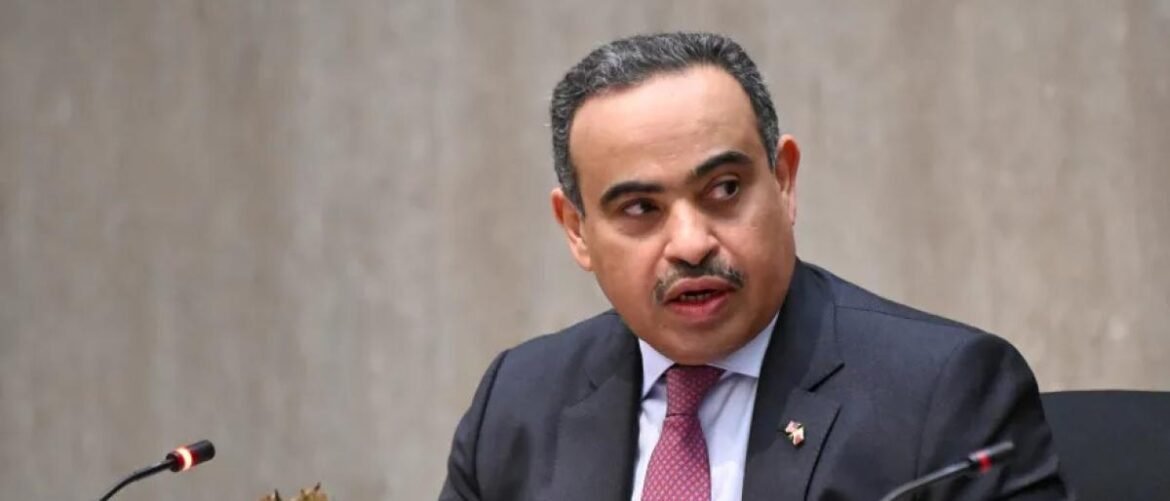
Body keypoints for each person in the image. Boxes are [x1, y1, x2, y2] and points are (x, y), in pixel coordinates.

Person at [439, 32, 1069, 501]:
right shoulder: (517, 404)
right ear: (577, 230)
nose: (689, 243)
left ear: (784, 182)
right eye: (639, 207)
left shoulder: (944, 393)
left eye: (724, 190)